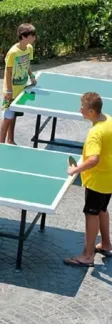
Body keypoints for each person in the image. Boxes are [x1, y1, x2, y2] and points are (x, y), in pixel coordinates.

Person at [65, 92, 112, 267]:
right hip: (109, 179)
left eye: (83, 108)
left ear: (91, 111)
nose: (80, 110)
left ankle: (87, 255)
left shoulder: (95, 133)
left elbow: (94, 159)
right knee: (102, 210)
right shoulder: (109, 119)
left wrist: (75, 169)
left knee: (91, 213)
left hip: (97, 181)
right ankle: (106, 244)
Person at [0, 23, 37, 145]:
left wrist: (31, 76)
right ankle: (0, 143)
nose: (34, 38)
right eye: (32, 35)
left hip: (22, 88)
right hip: (11, 91)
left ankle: (10, 140)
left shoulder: (29, 49)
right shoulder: (13, 52)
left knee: (14, 116)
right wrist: (9, 91)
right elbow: (8, 73)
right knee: (7, 118)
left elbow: (27, 64)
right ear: (24, 36)